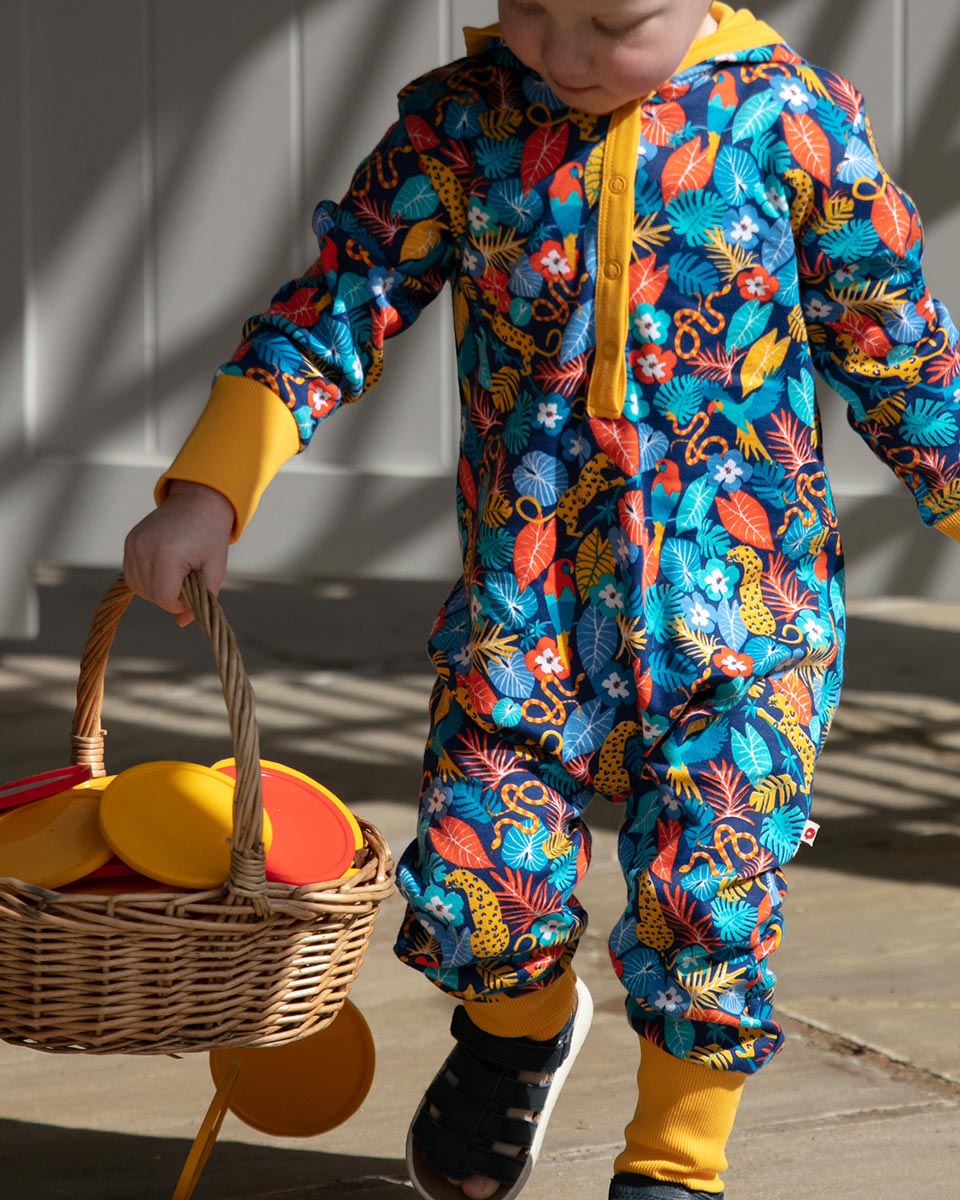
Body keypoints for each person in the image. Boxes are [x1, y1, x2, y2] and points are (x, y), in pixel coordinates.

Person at [122, 2, 960, 1197]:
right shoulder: (462, 127)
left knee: (710, 907)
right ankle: (518, 1036)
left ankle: (673, 1163)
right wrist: (208, 487)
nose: (560, 53)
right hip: (527, 614)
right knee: (476, 885)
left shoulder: (794, 123)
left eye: (607, 25)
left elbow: (899, 349)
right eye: (528, 9)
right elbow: (339, 304)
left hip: (745, 620)